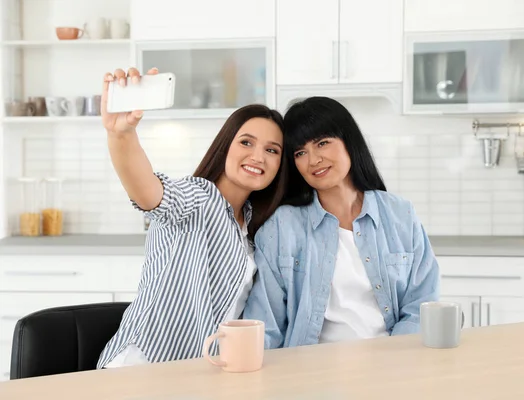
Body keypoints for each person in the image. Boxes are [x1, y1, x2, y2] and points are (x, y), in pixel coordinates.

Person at [96, 67, 287, 368]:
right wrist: (121, 134)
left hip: (192, 376)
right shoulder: (199, 198)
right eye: (246, 142)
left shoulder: (249, 227)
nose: (258, 157)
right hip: (141, 369)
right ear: (226, 145)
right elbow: (149, 194)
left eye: (272, 150)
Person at [243, 96, 439, 348]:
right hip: (311, 373)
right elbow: (265, 325)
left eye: (322, 143)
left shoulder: (400, 214)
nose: (313, 160)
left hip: (391, 365)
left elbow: (421, 305)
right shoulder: (282, 227)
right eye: (300, 152)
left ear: (349, 141)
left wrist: (393, 362)